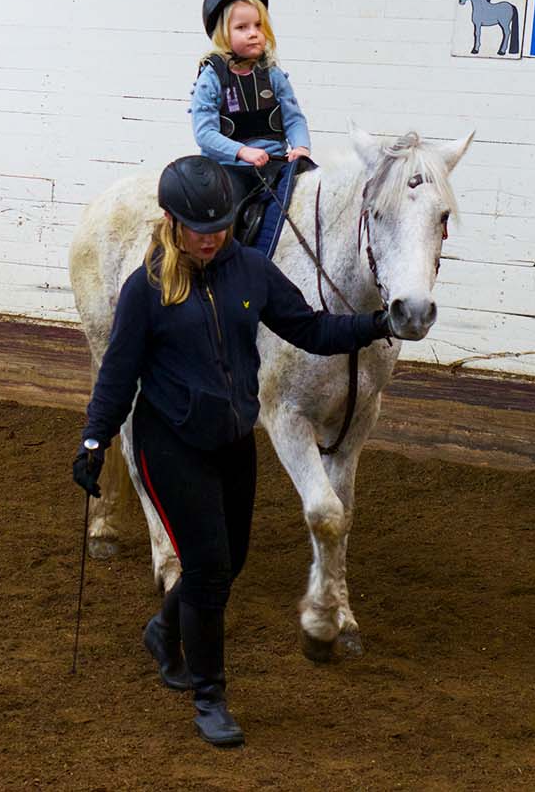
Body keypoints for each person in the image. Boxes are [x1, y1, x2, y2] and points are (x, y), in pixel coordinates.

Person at [71, 155, 392, 748]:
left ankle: (163, 632)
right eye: (200, 227)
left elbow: (312, 329)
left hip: (233, 442)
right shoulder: (146, 290)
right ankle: (210, 697)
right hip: (171, 444)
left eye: (220, 224)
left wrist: (376, 325)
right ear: (171, 222)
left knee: (232, 559)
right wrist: (95, 440)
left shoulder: (250, 270)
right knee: (212, 573)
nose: (213, 236)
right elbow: (116, 375)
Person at [190, 0, 313, 256]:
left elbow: (294, 118)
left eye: (258, 25)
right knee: (224, 214)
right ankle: (223, 266)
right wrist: (242, 152)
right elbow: (205, 133)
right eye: (242, 27)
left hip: (276, 165)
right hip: (231, 169)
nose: (253, 33)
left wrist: (301, 147)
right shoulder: (212, 77)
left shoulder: (272, 73)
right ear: (223, 33)